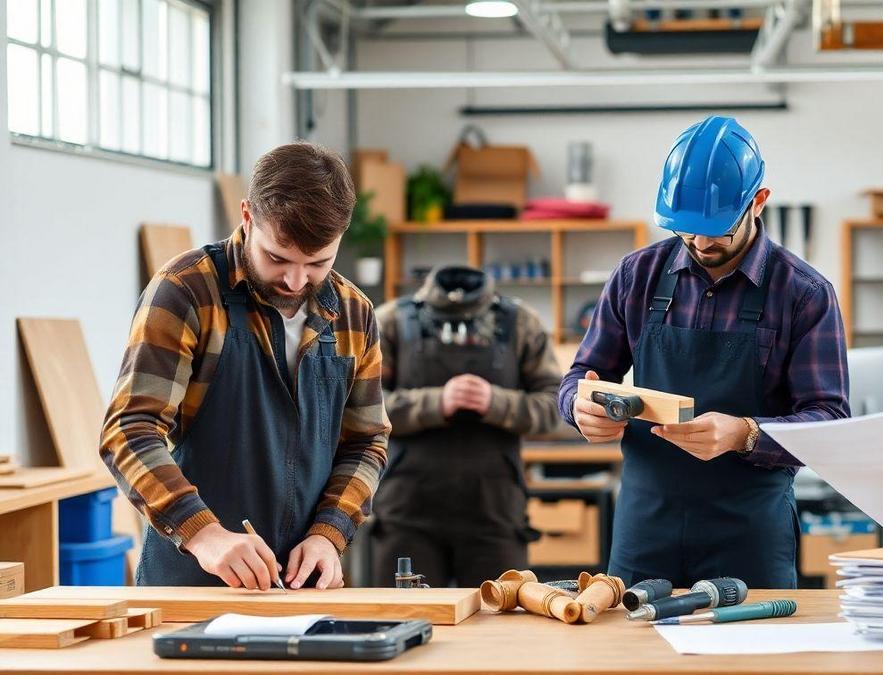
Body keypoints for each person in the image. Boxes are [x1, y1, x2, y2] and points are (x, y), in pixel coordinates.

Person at [557, 116, 850, 589]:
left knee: (752, 662)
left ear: (758, 202)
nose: (699, 243)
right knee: (629, 658)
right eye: (686, 230)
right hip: (643, 528)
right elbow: (581, 376)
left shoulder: (804, 294)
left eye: (716, 229)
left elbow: (830, 419)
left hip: (748, 533)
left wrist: (746, 433)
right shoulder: (636, 276)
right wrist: (580, 406)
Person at [100, 142, 390, 589]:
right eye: (277, 258)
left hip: (302, 585)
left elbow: (366, 442)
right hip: (192, 578)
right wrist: (205, 535)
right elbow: (129, 429)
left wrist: (329, 535)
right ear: (247, 215)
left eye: (318, 263)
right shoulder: (186, 292)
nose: (296, 282)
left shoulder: (354, 313)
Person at [371, 265, 561, 588]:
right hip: (407, 514)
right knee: (404, 622)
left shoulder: (520, 323)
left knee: (500, 627)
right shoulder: (390, 321)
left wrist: (496, 402)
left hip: (495, 513)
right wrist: (436, 403)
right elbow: (360, 407)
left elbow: (556, 407)